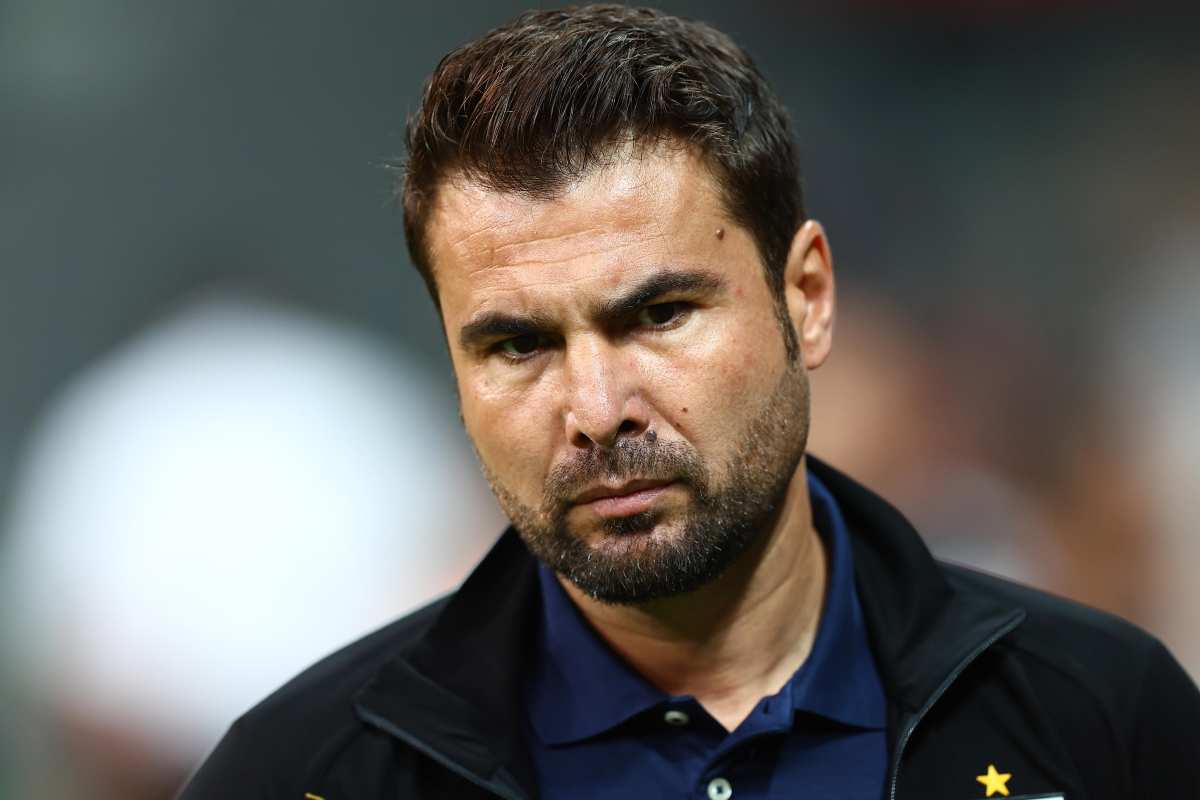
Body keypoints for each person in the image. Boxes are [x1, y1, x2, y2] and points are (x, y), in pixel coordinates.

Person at [180, 6, 1200, 798]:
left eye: (661, 314)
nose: (596, 409)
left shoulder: (1104, 721)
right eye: (518, 344)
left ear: (806, 299)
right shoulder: (298, 775)